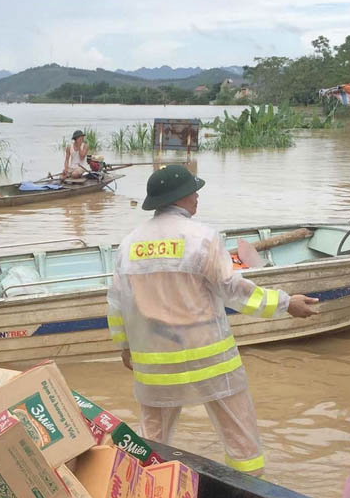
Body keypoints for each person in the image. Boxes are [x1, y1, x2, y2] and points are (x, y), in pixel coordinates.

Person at [106, 165, 319, 475]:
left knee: (150, 441)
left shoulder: (129, 245)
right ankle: (251, 490)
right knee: (241, 438)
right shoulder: (202, 238)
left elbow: (116, 303)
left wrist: (124, 347)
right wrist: (285, 303)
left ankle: (144, 490)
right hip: (209, 359)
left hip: (154, 365)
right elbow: (234, 290)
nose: (197, 197)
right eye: (195, 191)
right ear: (181, 197)